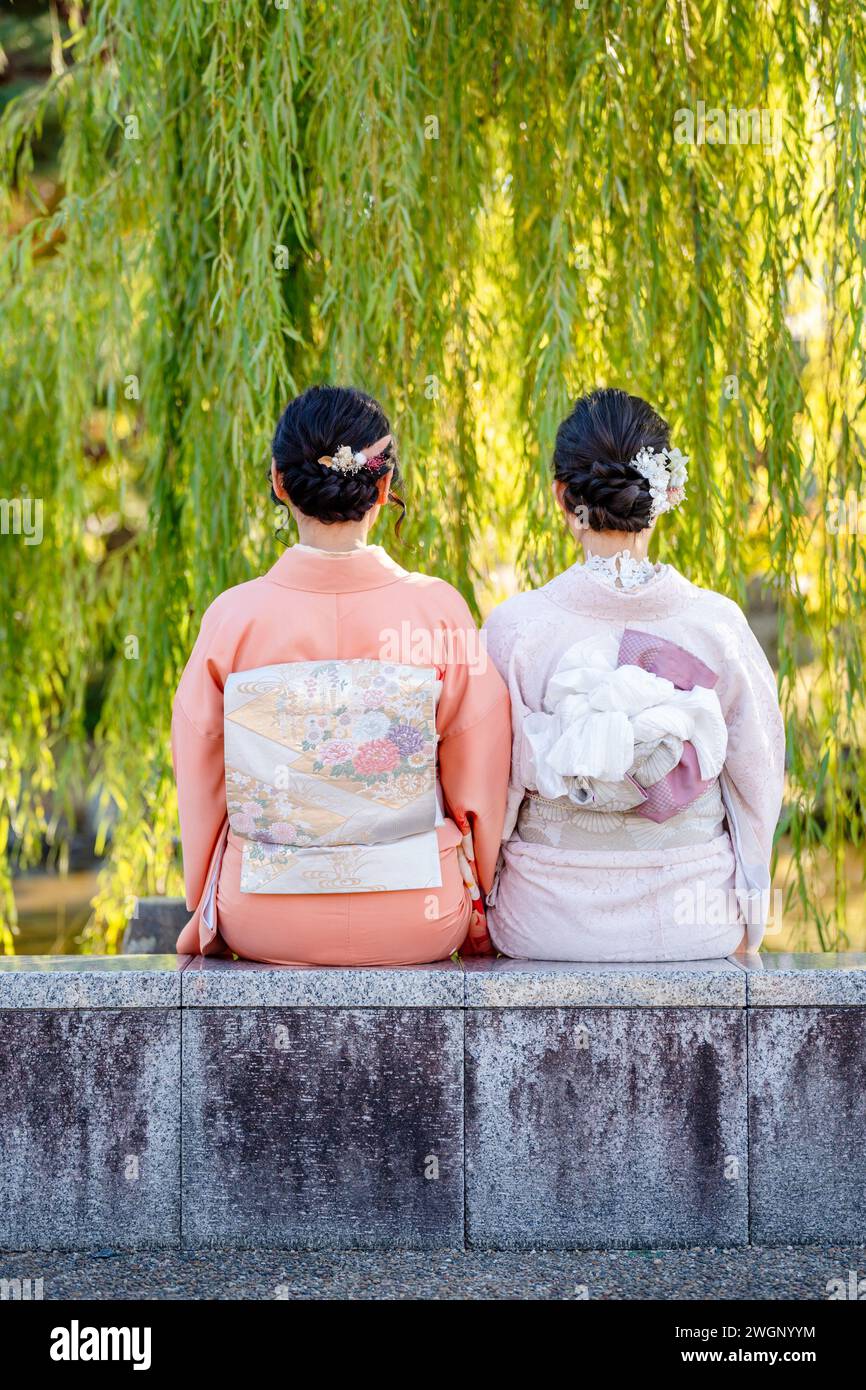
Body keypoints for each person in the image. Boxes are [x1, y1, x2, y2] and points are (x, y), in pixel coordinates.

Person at [173, 385, 510, 965]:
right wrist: (476, 893)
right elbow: (476, 779)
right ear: (384, 487)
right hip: (416, 910)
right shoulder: (437, 611)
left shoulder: (233, 618)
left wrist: (209, 888)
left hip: (263, 910)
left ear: (279, 482)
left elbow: (201, 771)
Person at [483, 387, 785, 961]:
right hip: (692, 920)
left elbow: (489, 793)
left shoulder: (513, 630)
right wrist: (750, 912)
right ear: (669, 493)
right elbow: (757, 783)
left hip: (546, 921)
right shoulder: (717, 626)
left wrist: (482, 899)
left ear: (561, 497)